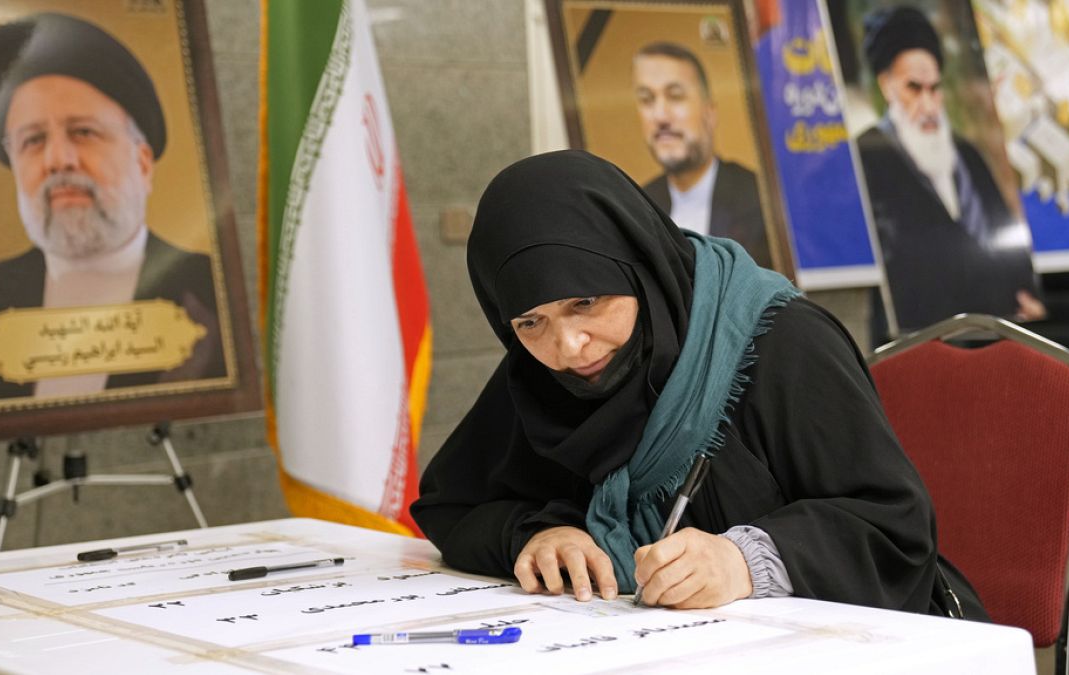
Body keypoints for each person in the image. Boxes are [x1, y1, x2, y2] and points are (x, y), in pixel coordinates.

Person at [411, 150, 986, 618]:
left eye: (586, 302)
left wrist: (744, 562)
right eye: (530, 322)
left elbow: (893, 524)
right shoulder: (546, 372)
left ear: (637, 266)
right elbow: (453, 504)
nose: (568, 346)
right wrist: (536, 535)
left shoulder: (783, 342)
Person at [0, 12, 224, 403]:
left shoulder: (215, 299)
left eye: (83, 132)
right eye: (33, 140)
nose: (59, 160)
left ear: (142, 164)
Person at [856, 6, 1043, 335]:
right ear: (887, 86)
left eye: (935, 88)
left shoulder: (966, 154)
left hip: (999, 332)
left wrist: (1028, 295)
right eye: (914, 88)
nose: (928, 105)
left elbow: (1006, 236)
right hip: (920, 341)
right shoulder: (866, 159)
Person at [631, 42, 772, 269]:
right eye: (647, 99)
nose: (660, 116)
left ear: (710, 113)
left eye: (675, 96)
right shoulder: (636, 209)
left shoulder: (760, 198)